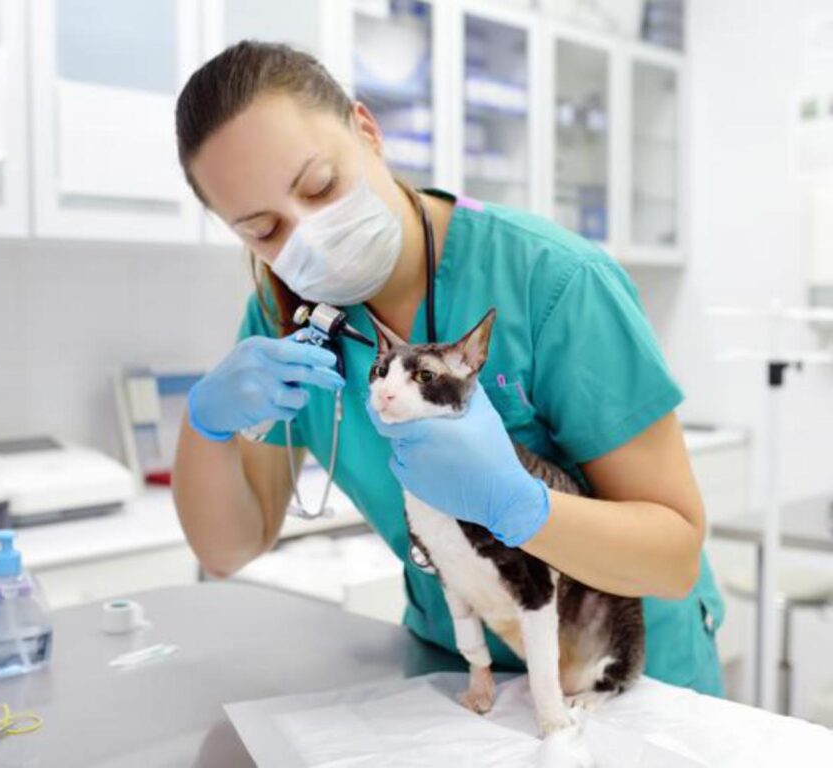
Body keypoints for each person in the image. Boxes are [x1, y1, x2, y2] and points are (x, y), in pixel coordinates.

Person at [171, 41, 724, 695]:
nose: (307, 234)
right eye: (263, 229)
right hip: (462, 680)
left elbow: (672, 557)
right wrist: (205, 423)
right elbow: (229, 548)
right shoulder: (283, 316)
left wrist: (523, 508)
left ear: (366, 130)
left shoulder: (551, 283)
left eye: (320, 186)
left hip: (624, 677)